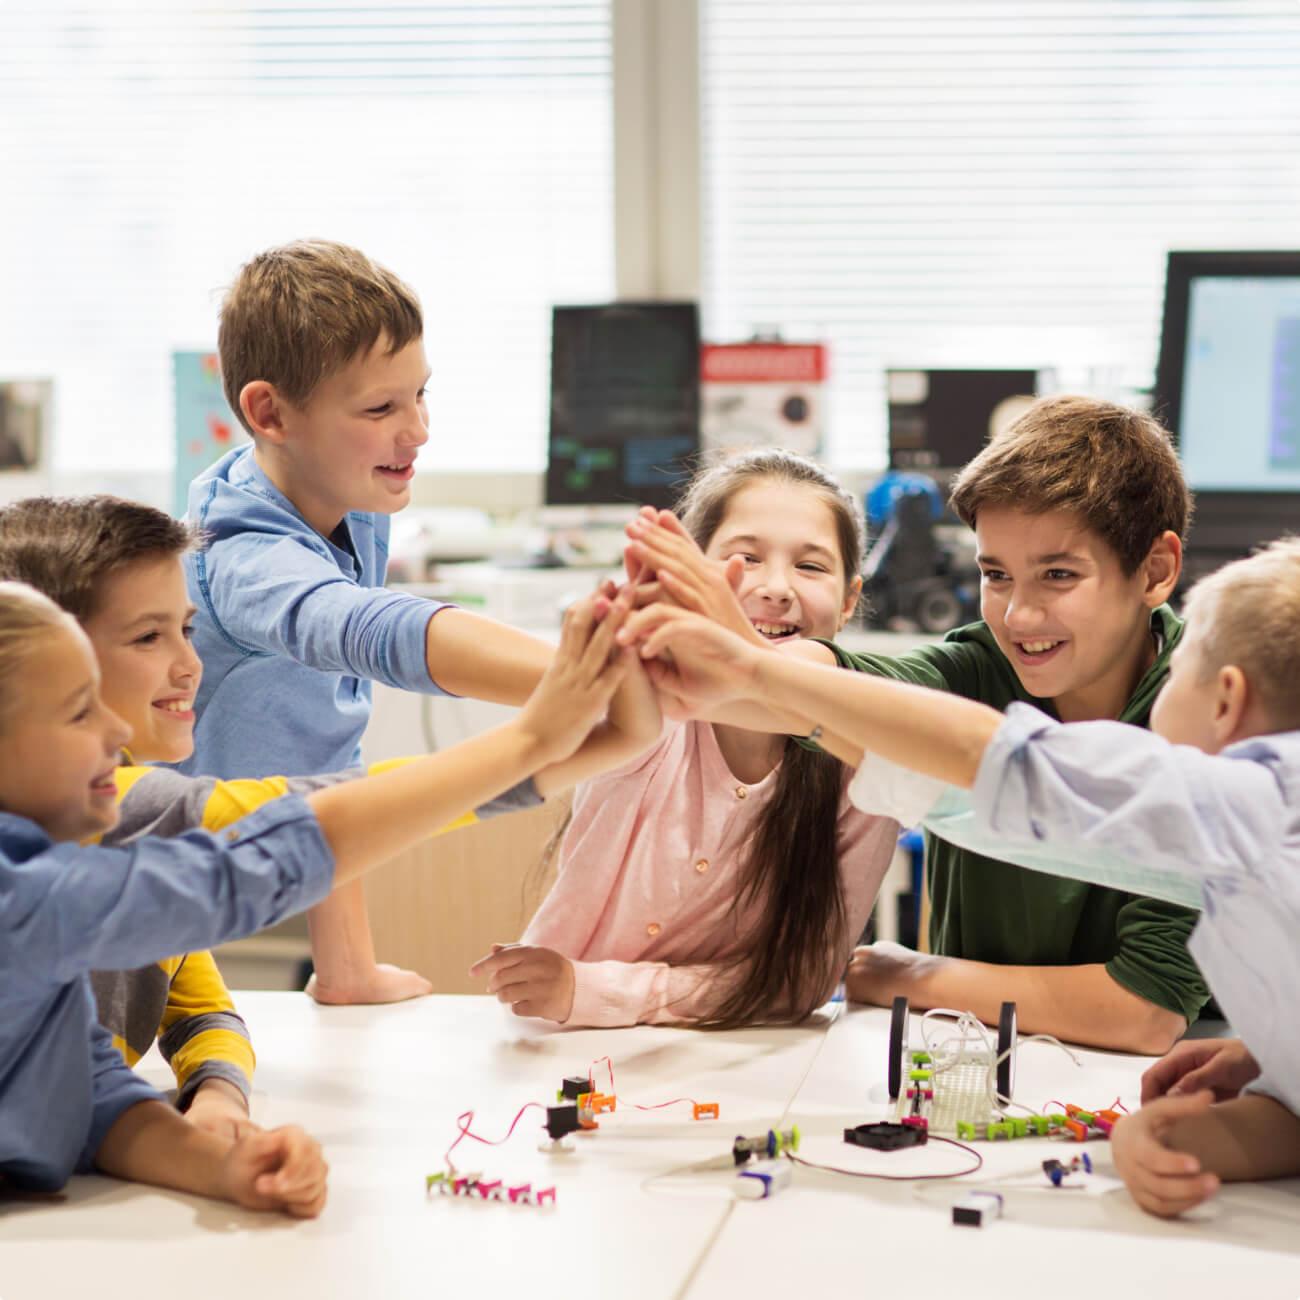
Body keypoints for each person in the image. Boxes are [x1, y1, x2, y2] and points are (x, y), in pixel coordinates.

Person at [618, 537, 1300, 1218]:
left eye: (1180, 673)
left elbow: (994, 764)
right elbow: (972, 800)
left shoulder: (1250, 802)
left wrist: (757, 670)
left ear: (1226, 702)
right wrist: (1254, 1078)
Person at [0, 577, 636, 1206]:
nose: (115, 732)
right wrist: (534, 741)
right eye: (80, 709)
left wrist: (221, 1166)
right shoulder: (29, 898)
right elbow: (257, 862)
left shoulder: (51, 893)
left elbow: (91, 1097)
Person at [622, 397, 1210, 1054]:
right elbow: (829, 682)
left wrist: (916, 974)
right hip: (981, 1061)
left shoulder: (1212, 716)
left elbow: (1144, 1009)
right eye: (996, 575)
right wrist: (738, 656)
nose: (1018, 615)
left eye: (1059, 575)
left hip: (1171, 1080)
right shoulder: (976, 667)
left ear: (1155, 570)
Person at [184, 239, 635, 1006]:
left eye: (421, 394)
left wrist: (348, 971)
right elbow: (367, 628)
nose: (418, 428)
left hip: (276, 830)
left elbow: (327, 756)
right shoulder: (241, 555)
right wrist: (577, 673)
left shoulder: (348, 504)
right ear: (268, 412)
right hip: (150, 862)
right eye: (381, 408)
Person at [472, 451, 899, 1028]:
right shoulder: (648, 709)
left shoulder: (868, 768)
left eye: (810, 566)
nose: (775, 588)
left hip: (748, 1052)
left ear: (849, 601)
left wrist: (596, 990)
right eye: (744, 558)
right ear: (686, 576)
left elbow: (803, 978)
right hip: (564, 1044)